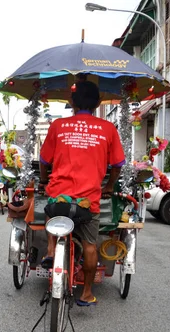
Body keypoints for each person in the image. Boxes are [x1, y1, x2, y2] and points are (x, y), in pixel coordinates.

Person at [38, 80, 125, 307]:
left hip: (60, 198)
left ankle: (49, 251)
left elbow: (44, 160)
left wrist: (45, 180)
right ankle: (86, 292)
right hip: (88, 202)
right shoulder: (108, 128)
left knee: (51, 207)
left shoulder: (58, 125)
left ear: (73, 103)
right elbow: (118, 165)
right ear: (97, 103)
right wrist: (108, 186)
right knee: (89, 246)